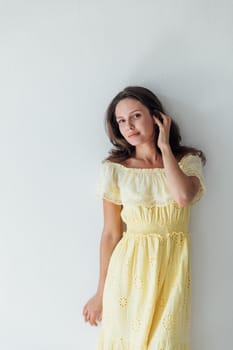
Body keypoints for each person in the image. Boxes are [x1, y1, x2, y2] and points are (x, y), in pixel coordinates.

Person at [82, 86, 206, 349]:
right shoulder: (116, 171)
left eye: (136, 116)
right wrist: (100, 292)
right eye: (121, 121)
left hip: (171, 270)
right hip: (128, 272)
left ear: (157, 116)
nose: (129, 126)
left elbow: (183, 197)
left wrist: (164, 146)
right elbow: (111, 234)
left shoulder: (187, 162)